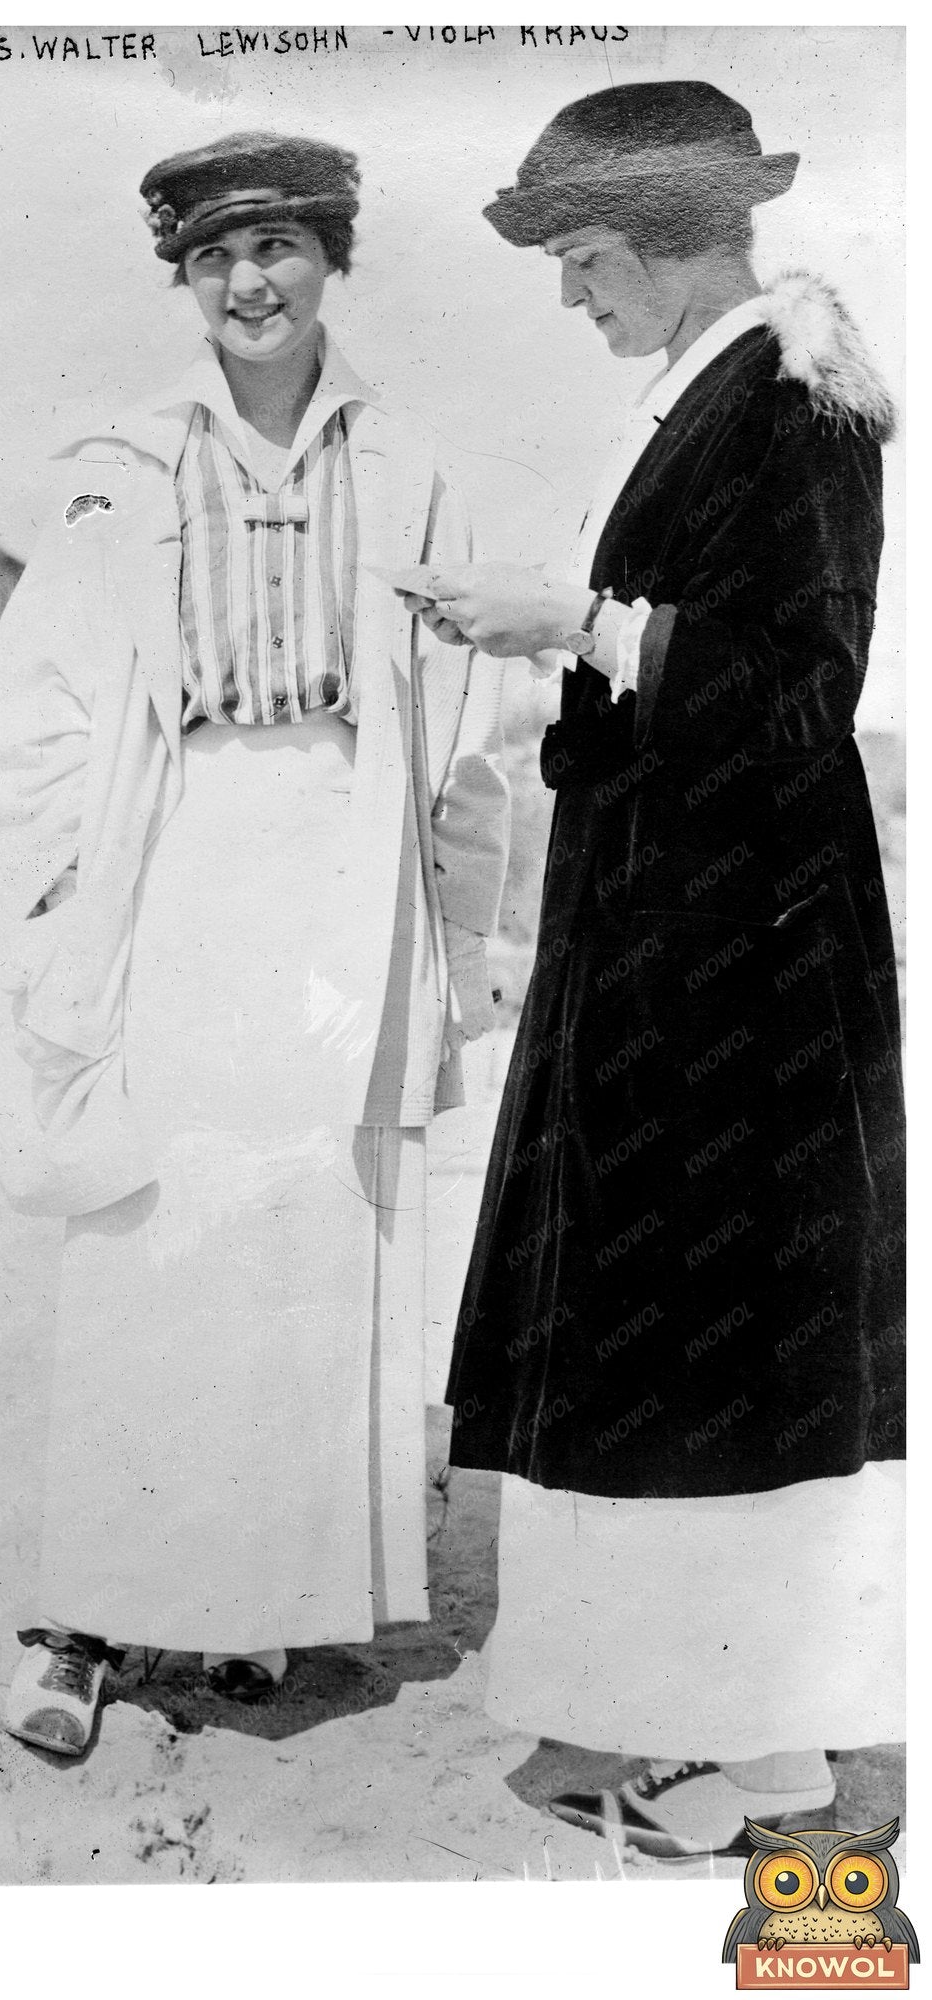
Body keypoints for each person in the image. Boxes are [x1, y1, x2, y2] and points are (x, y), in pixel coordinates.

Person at [0, 132, 511, 1755]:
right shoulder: (116, 464)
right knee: (146, 1236)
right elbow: (41, 696)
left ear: (330, 259)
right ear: (183, 280)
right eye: (212, 257)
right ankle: (80, 1628)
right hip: (173, 863)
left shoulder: (409, 466)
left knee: (300, 1246)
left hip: (344, 877)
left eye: (276, 248)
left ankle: (255, 1605)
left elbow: (464, 736)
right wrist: (53, 894)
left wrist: (455, 941)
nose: (247, 283)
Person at [413, 82, 904, 1857]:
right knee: (671, 1340)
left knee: (720, 1351)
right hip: (676, 934)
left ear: (681, 237)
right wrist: (574, 636)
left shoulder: (793, 400)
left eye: (586, 253)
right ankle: (695, 1729)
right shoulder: (721, 391)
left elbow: (800, 691)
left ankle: (761, 1766)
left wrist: (578, 622)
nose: (568, 291)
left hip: (740, 967)